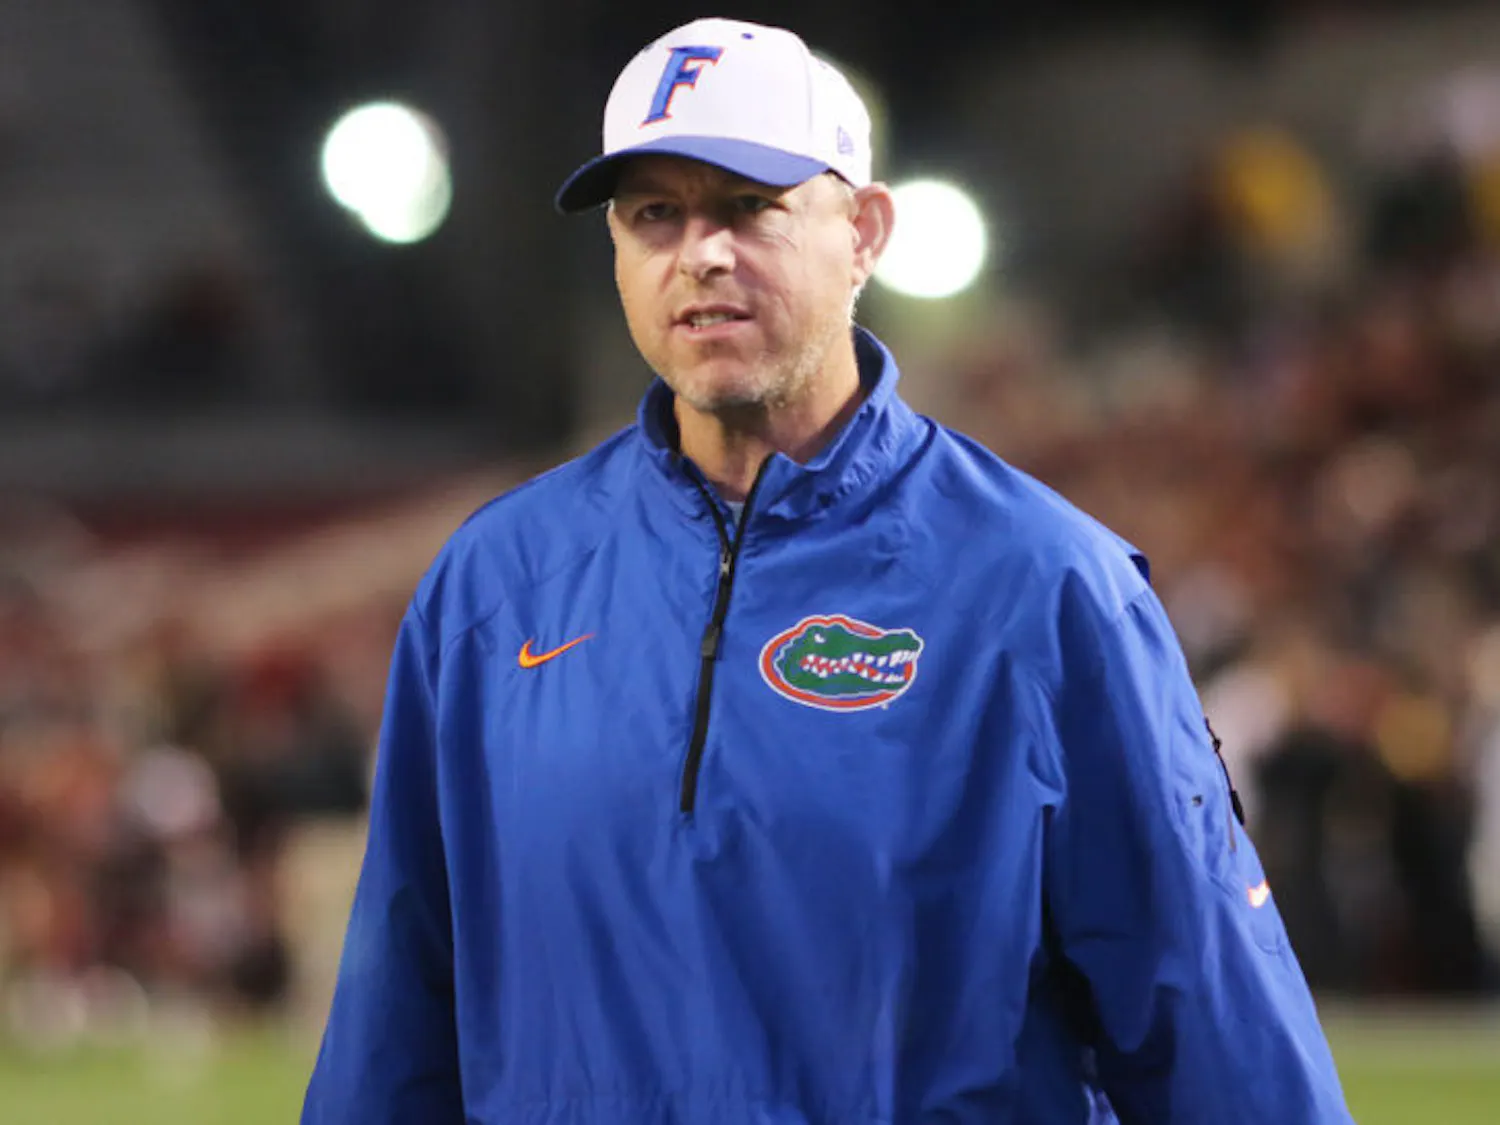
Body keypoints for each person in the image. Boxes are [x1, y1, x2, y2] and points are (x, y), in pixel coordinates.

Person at [302, 17, 1355, 1124]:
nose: (701, 252)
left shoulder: (1047, 589)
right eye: (655, 213)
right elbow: (398, 1023)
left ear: (864, 231)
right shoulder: (492, 589)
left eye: (749, 205)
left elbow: (1209, 1019)